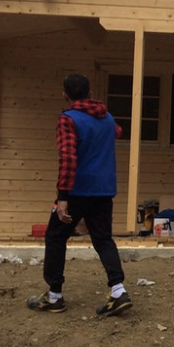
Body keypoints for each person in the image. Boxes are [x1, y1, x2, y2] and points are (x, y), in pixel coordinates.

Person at [26, 73, 132, 317]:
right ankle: (118, 291)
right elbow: (117, 131)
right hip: (104, 190)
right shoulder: (107, 118)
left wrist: (62, 196)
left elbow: (68, 158)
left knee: (55, 237)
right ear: (90, 93)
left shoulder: (68, 120)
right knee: (103, 239)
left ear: (65, 95)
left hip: (77, 190)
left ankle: (54, 296)